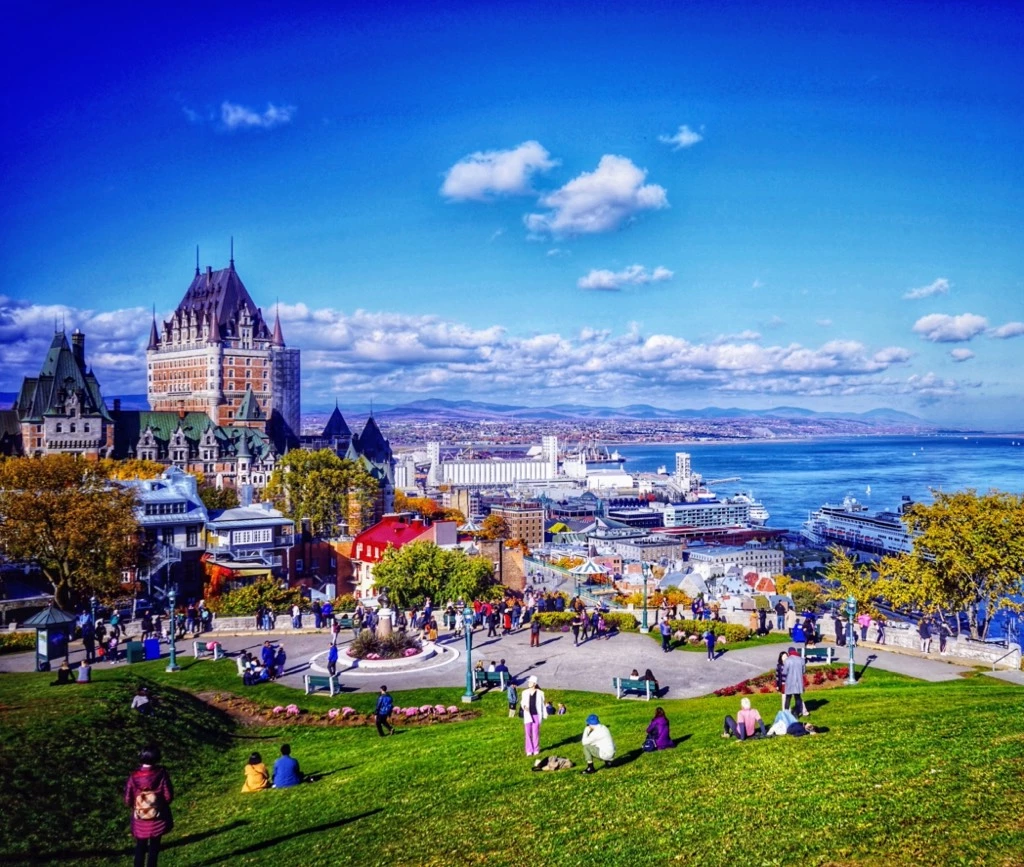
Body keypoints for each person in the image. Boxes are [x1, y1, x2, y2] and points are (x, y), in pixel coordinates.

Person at [124, 743, 173, 867]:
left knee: (140, 847)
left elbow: (128, 798)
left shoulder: (134, 776)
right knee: (154, 849)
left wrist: (135, 807)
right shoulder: (161, 773)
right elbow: (168, 795)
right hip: (157, 816)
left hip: (140, 818)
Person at [520, 675, 548, 756]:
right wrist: (524, 706)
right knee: (527, 733)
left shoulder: (540, 693)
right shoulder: (524, 692)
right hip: (528, 714)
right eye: (529, 682)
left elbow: (542, 705)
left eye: (531, 682)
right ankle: (529, 750)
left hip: (536, 714)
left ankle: (536, 749)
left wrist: (544, 714)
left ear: (535, 683)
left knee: (535, 732)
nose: (529, 683)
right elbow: (522, 702)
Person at [782, 647, 808, 717]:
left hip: (790, 682)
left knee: (788, 698)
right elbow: (804, 671)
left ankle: (786, 714)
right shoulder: (802, 660)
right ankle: (796, 713)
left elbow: (784, 672)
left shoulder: (787, 660)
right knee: (798, 697)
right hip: (798, 682)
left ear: (789, 652)